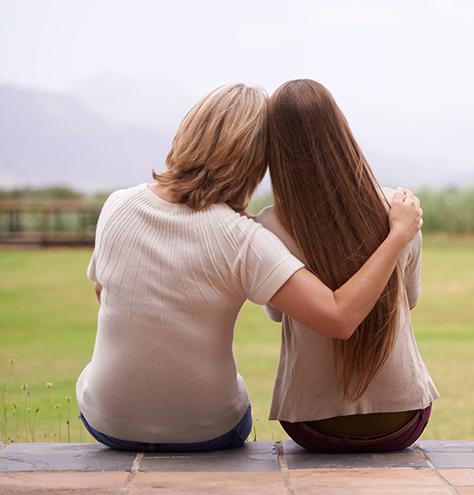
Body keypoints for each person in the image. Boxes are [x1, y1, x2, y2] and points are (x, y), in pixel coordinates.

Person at [76, 83, 422, 452]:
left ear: (186, 132)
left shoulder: (117, 206)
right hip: (208, 429)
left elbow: (104, 292)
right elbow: (339, 317)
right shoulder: (242, 237)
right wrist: (398, 235)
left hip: (107, 421)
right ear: (257, 161)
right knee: (232, 391)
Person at [256, 79, 438, 453]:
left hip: (311, 424)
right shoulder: (399, 210)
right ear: (342, 131)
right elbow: (410, 298)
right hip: (402, 420)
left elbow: (277, 313)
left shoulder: (268, 226)